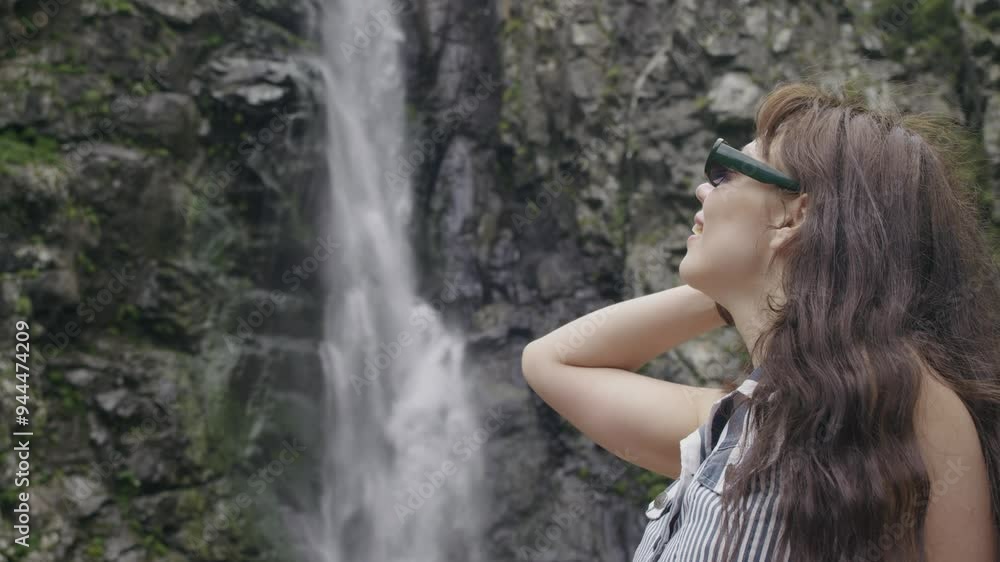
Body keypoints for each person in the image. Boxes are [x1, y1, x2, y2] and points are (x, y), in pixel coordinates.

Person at [519, 78, 1000, 562]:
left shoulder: (903, 400)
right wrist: (737, 289)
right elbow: (551, 362)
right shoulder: (734, 426)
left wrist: (770, 277)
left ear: (793, 218)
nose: (702, 188)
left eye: (726, 170)